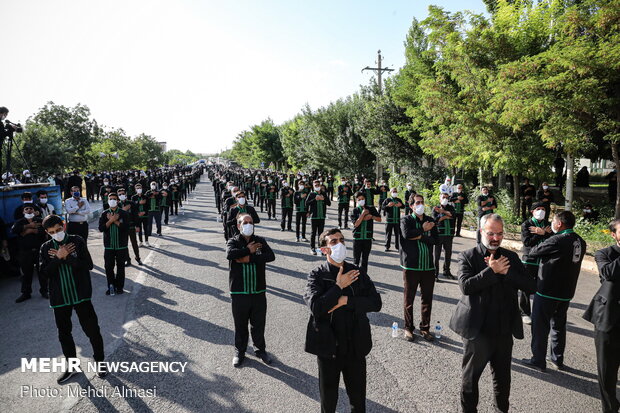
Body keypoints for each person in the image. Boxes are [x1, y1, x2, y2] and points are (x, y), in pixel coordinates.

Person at [450, 213, 536, 413]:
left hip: (504, 330)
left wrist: (507, 273)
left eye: (499, 234)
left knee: (503, 379)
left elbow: (531, 286)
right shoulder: (468, 256)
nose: (496, 238)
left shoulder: (511, 257)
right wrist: (491, 271)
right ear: (481, 232)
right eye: (491, 233)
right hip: (477, 331)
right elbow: (466, 286)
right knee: (471, 379)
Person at [303, 228, 382, 413]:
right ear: (324, 250)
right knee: (329, 400)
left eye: (341, 240)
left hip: (355, 345)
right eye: (333, 242)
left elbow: (375, 303)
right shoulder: (317, 274)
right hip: (329, 348)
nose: (339, 244)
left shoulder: (357, 272)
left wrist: (347, 301)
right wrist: (339, 286)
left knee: (358, 398)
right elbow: (317, 308)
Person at [39, 214, 107, 383]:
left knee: (92, 330)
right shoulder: (45, 248)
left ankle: (100, 362)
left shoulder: (77, 241)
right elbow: (44, 273)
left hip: (81, 296)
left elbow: (88, 265)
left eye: (59, 229)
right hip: (60, 299)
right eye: (52, 231)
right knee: (64, 334)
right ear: (47, 232)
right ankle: (72, 367)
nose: (57, 233)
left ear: (64, 226)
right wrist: (58, 258)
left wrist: (68, 257)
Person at [522, 211, 586, 372]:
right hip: (566, 291)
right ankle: (557, 359)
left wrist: (542, 235)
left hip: (548, 290)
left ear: (559, 224)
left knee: (540, 326)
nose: (551, 223)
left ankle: (538, 360)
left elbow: (533, 251)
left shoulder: (557, 240)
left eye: (553, 221)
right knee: (558, 325)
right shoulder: (580, 240)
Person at [225, 213, 276, 367]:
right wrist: (248, 250)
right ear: (239, 225)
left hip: (258, 290)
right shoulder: (233, 241)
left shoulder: (260, 241)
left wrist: (249, 258)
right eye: (245, 222)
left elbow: (271, 256)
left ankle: (260, 350)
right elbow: (230, 255)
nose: (248, 225)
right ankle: (240, 351)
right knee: (240, 324)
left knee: (258, 323)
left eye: (250, 222)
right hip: (239, 292)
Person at [584, 220, 620, 413]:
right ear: (613, 235)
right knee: (607, 372)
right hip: (608, 320)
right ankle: (610, 408)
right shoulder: (604, 253)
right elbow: (608, 273)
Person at [400, 193, 439, 342]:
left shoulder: (430, 220)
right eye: (417, 202)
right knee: (409, 299)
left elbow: (436, 240)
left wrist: (420, 237)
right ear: (411, 206)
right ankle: (408, 328)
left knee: (427, 299)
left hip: (428, 266)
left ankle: (425, 328)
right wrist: (423, 231)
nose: (420, 204)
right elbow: (406, 235)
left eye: (422, 202)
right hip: (411, 266)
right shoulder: (406, 220)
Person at [520, 202, 552, 325]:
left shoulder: (548, 225)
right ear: (532, 211)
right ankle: (524, 312)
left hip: (545, 261)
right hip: (530, 260)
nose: (541, 211)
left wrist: (543, 233)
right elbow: (527, 242)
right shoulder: (527, 224)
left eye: (543, 209)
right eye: (538, 209)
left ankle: (539, 313)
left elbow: (553, 240)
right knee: (526, 287)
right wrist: (542, 234)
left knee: (543, 288)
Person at [12, 204, 47, 303]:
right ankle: (26, 293)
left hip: (39, 250)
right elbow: (14, 230)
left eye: (31, 209)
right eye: (26, 209)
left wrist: (28, 231)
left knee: (42, 272)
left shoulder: (40, 220)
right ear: (23, 212)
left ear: (34, 210)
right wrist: (28, 226)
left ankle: (44, 290)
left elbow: (45, 231)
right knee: (26, 273)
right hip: (25, 252)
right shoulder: (19, 222)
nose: (28, 210)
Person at [98, 193, 130, 295]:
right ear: (107, 200)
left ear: (117, 201)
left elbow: (126, 228)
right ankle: (111, 286)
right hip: (109, 246)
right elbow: (101, 228)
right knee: (108, 267)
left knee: (120, 267)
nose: (112, 200)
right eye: (110, 199)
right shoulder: (104, 214)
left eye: (114, 199)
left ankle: (119, 287)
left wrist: (115, 221)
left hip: (121, 245)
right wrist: (110, 220)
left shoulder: (123, 213)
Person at [350, 192, 381, 274]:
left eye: (362, 199)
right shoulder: (355, 211)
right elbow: (356, 224)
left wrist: (372, 216)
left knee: (365, 259)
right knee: (356, 260)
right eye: (359, 199)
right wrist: (363, 215)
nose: (361, 201)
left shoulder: (371, 208)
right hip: (357, 238)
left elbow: (379, 219)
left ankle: (364, 277)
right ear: (356, 201)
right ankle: (355, 277)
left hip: (367, 237)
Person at [433, 193, 456, 280]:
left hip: (449, 234)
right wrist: (445, 216)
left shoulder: (451, 207)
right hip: (439, 234)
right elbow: (435, 220)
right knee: (437, 255)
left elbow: (453, 216)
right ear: (439, 198)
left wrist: (443, 212)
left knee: (448, 254)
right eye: (443, 197)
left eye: (447, 197)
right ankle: (435, 273)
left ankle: (447, 271)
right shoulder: (435, 208)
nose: (445, 199)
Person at [117, 188, 142, 266]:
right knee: (124, 244)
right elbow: (115, 216)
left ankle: (138, 258)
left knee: (134, 243)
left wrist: (137, 225)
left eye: (123, 194)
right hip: (122, 227)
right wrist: (123, 209)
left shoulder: (131, 203)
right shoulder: (117, 205)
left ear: (126, 194)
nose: (122, 195)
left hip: (131, 226)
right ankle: (127, 260)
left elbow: (136, 215)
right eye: (120, 194)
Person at [307, 180, 331, 255]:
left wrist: (324, 199)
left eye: (318, 185)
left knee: (321, 234)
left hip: (322, 216)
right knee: (313, 233)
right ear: (313, 186)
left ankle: (321, 248)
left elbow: (329, 203)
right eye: (316, 185)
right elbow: (307, 203)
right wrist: (315, 199)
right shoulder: (311, 194)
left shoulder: (324, 193)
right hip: (314, 216)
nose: (317, 186)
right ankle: (312, 248)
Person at [382, 187, 404, 252]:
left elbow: (403, 206)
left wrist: (401, 205)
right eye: (393, 192)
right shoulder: (387, 200)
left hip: (397, 220)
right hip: (389, 220)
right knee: (388, 234)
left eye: (396, 191)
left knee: (397, 234)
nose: (395, 193)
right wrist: (388, 206)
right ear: (390, 192)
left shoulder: (399, 200)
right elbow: (383, 207)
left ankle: (397, 247)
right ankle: (387, 246)